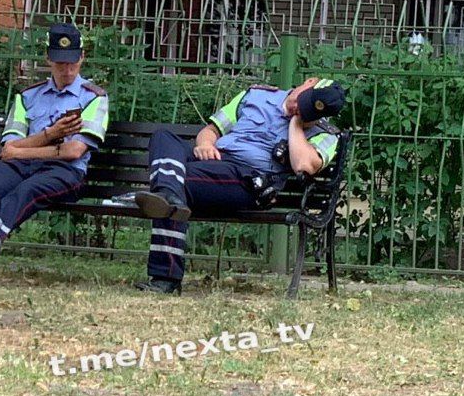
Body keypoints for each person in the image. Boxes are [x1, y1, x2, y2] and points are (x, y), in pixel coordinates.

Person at [133, 78, 346, 294]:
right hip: (214, 159)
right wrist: (205, 144)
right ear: (308, 82)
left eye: (307, 111)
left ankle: (165, 276)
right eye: (302, 101)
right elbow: (211, 130)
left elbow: (303, 164)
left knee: (174, 180)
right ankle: (168, 194)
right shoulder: (256, 96)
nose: (298, 109)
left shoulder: (326, 135)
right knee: (163, 138)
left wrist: (297, 124)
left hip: (246, 178)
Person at [0, 23, 109, 269]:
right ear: (48, 59)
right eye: (60, 63)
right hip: (20, 166)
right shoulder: (27, 96)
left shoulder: (94, 98)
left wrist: (22, 150)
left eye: (72, 62)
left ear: (82, 57)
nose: (67, 70)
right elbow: (8, 148)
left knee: (27, 190)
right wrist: (51, 134)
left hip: (64, 172)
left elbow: (73, 151)